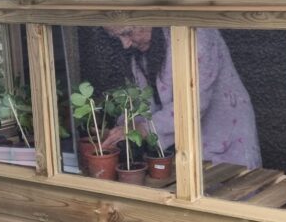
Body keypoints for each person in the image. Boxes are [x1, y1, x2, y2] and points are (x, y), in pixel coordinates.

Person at [100, 27, 262, 169]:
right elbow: (141, 97)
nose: (125, 44)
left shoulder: (197, 35)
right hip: (185, 146)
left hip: (225, 132)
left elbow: (194, 104)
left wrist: (144, 129)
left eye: (128, 33)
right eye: (117, 37)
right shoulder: (141, 48)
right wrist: (128, 125)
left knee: (233, 192)